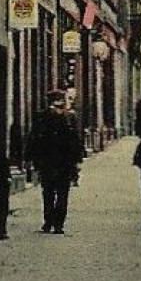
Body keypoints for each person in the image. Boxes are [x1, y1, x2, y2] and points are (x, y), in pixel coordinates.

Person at [28, 89, 83, 234]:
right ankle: (58, 224)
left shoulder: (41, 117)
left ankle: (48, 222)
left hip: (48, 162)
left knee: (48, 193)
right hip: (64, 163)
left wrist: (34, 160)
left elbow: (34, 139)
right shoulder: (69, 118)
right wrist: (77, 161)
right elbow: (76, 141)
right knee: (62, 193)